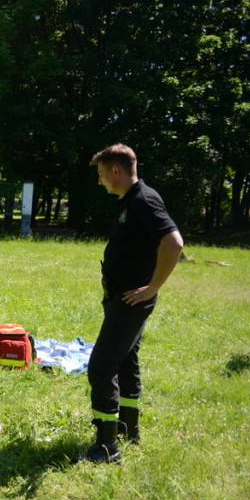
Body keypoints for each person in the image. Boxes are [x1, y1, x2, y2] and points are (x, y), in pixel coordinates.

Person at [84, 143, 183, 464]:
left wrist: (152, 287)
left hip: (131, 299)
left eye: (102, 175)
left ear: (116, 171)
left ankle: (107, 446)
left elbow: (174, 241)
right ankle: (128, 430)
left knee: (101, 367)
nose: (100, 182)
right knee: (126, 361)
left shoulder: (144, 200)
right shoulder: (129, 201)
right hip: (119, 296)